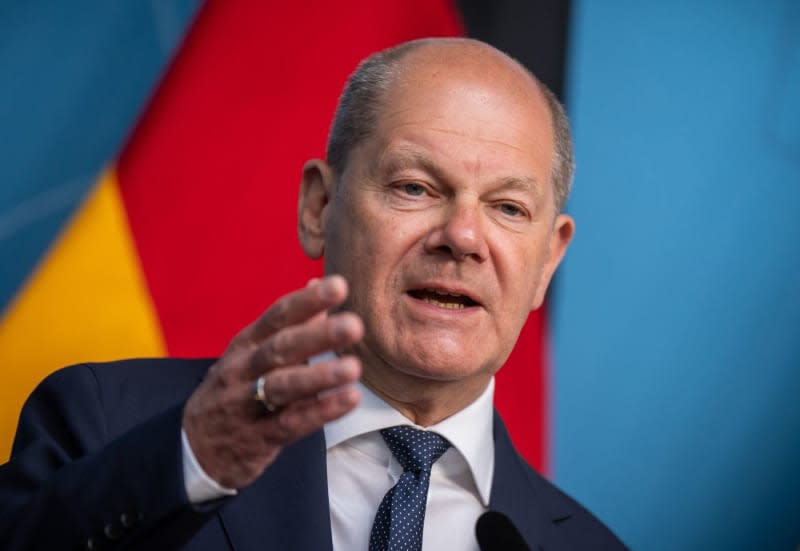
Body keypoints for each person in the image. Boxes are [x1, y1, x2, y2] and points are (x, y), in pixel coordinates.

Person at [0, 37, 628, 550]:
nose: (463, 236)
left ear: (549, 258)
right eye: (414, 187)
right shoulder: (107, 424)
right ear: (318, 206)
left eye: (509, 207)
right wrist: (191, 465)